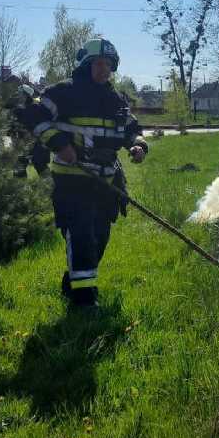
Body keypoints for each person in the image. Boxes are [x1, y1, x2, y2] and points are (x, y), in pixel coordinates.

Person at [25, 37, 147, 307]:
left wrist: (138, 147)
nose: (105, 70)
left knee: (99, 238)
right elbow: (34, 116)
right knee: (81, 235)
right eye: (100, 64)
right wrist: (60, 144)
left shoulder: (116, 100)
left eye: (109, 65)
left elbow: (132, 130)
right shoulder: (63, 93)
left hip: (105, 183)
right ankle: (84, 301)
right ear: (85, 64)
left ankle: (72, 283)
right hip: (72, 181)